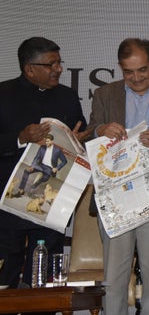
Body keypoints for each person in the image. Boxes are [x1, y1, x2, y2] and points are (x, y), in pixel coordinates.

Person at [87, 38, 149, 315]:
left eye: (142, 70)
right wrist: (101, 130)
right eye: (128, 72)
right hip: (116, 197)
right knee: (114, 276)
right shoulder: (105, 94)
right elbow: (89, 131)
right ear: (120, 68)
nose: (136, 78)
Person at [0, 37, 86, 289]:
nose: (58, 69)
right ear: (29, 69)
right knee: (4, 280)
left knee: (44, 281)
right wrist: (20, 138)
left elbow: (80, 132)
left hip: (51, 202)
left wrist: (77, 141)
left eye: (59, 62)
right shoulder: (3, 94)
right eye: (51, 64)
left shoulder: (67, 97)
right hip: (8, 205)